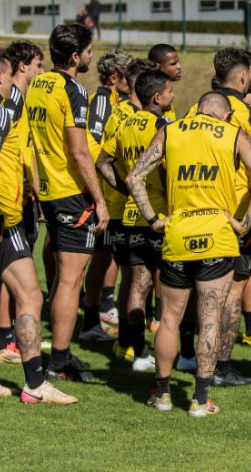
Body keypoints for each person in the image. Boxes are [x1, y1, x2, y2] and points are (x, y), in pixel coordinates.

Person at [128, 91, 251, 416]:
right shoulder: (234, 133)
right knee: (209, 317)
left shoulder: (171, 129)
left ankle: (163, 394)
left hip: (177, 233)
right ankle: (200, 399)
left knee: (169, 319)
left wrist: (152, 219)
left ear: (198, 110)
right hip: (217, 236)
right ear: (223, 115)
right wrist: (243, 223)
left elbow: (134, 176)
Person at [0, 47, 75, 404]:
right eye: (9, 73)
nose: (11, 80)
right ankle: (36, 385)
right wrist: (10, 214)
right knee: (30, 296)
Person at [187, 48, 251, 387]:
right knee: (231, 293)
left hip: (193, 212)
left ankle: (193, 356)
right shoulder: (249, 113)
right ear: (243, 76)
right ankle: (220, 366)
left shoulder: (192, 110)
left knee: (195, 292)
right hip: (236, 218)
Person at [26, 23, 110, 382]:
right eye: (89, 51)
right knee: (71, 281)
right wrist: (100, 200)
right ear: (76, 56)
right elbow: (79, 151)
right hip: (71, 193)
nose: (92, 56)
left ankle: (62, 354)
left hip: (48, 189)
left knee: (63, 277)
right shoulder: (72, 88)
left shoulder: (37, 84)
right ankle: (58, 362)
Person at [97, 69, 175, 372]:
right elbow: (169, 169)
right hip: (156, 214)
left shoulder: (126, 121)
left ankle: (138, 350)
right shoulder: (162, 126)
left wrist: (123, 187)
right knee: (163, 286)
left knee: (135, 284)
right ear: (157, 97)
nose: (173, 95)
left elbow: (102, 161)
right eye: (169, 90)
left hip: (130, 213)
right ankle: (160, 352)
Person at [0, 40, 46, 364]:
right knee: (12, 268)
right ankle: (4, 339)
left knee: (17, 266)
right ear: (23, 66)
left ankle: (6, 337)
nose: (42, 71)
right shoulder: (10, 100)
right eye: (38, 65)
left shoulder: (20, 99)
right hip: (9, 198)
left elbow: (25, 149)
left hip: (22, 194)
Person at [79, 52, 133, 344]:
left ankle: (100, 311)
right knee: (100, 257)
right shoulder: (101, 103)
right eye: (127, 75)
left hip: (111, 197)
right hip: (105, 196)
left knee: (106, 256)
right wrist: (106, 189)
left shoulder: (115, 103)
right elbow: (94, 150)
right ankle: (90, 318)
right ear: (114, 78)